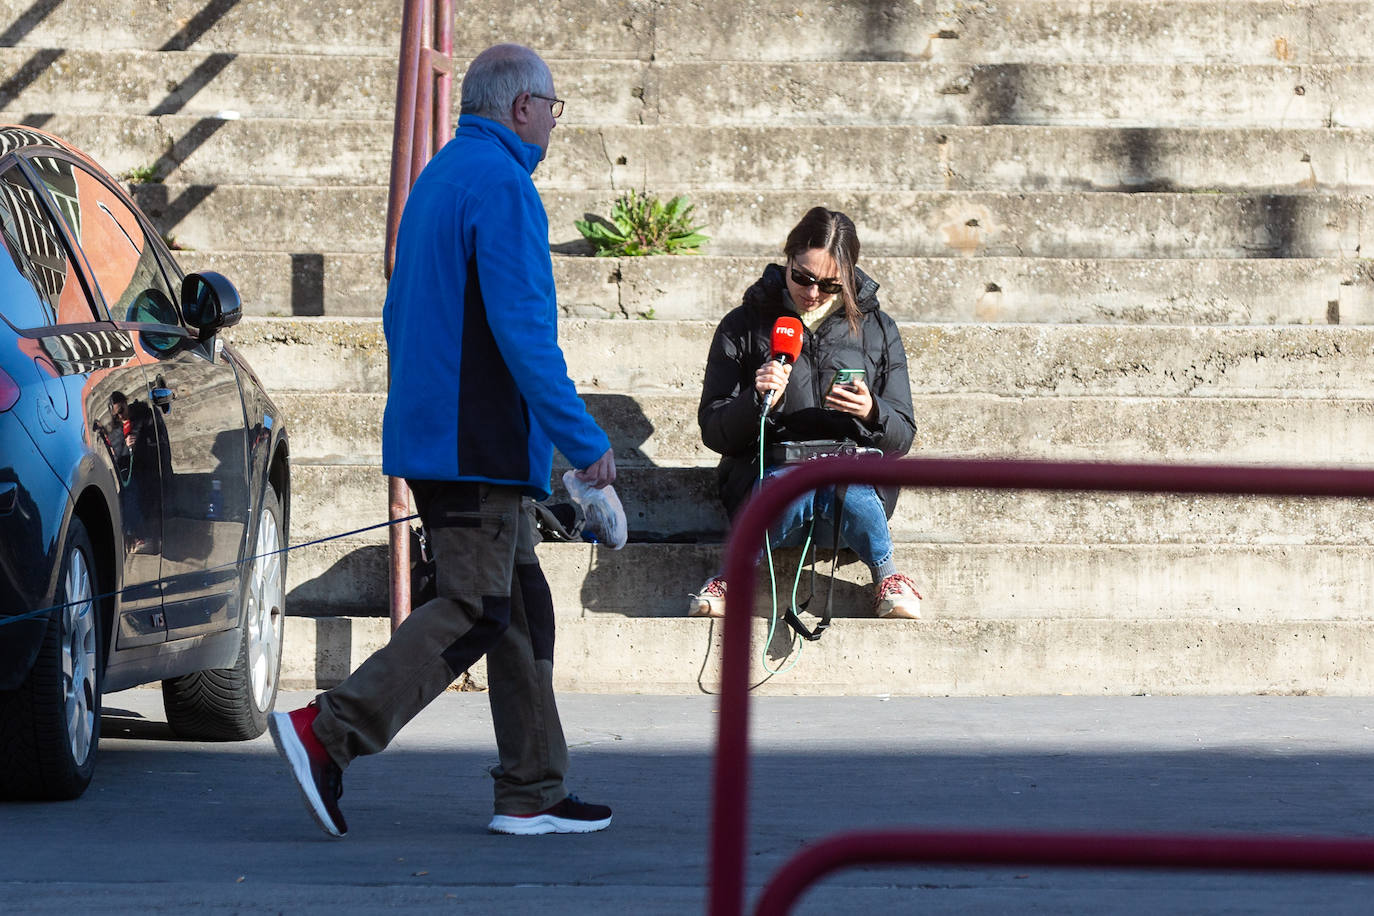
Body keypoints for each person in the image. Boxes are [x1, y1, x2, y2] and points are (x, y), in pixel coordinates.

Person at [269, 43, 617, 839]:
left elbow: (404, 315)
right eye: (552, 109)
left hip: (444, 432)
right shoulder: (502, 185)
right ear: (522, 106)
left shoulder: (440, 177)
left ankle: (533, 787)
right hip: (477, 442)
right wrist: (583, 441)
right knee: (475, 607)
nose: (554, 126)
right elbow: (525, 331)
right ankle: (330, 734)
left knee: (519, 605)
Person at [691, 207, 921, 620]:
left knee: (847, 487)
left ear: (849, 277)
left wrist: (872, 412)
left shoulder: (878, 329)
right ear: (788, 257)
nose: (813, 293)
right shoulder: (744, 325)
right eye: (803, 277)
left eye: (831, 284)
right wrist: (755, 401)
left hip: (852, 487)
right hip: (770, 476)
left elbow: (903, 434)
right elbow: (714, 429)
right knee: (788, 485)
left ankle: (887, 575)